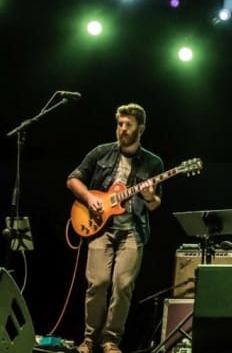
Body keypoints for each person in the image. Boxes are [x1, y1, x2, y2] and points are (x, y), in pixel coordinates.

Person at [67, 103, 164, 353]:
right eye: (120, 124)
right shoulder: (101, 153)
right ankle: (89, 339)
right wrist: (90, 198)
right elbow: (73, 179)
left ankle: (110, 340)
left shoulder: (153, 162)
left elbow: (155, 204)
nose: (122, 129)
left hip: (133, 231)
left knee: (123, 286)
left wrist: (149, 196)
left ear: (141, 128)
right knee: (97, 283)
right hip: (100, 228)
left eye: (128, 125)